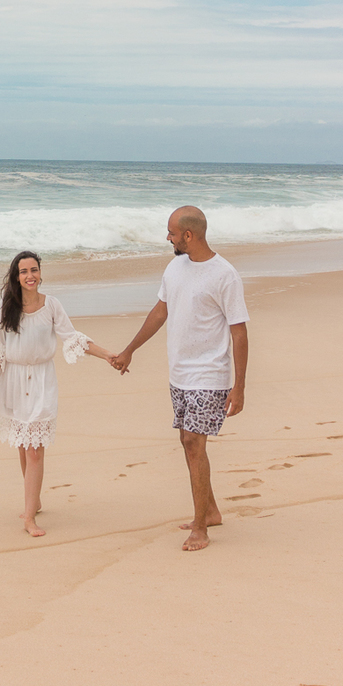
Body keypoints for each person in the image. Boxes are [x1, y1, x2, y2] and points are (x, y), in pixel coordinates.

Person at [111, 205, 248, 552]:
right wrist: (130, 350)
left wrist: (239, 386)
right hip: (180, 373)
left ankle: (200, 527)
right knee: (188, 443)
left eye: (171, 232)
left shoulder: (224, 274)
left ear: (189, 235)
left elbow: (239, 332)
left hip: (210, 373)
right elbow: (161, 311)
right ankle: (211, 510)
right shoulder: (174, 267)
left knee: (193, 442)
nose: (167, 238)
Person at [0, 250, 115, 536]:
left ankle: (29, 518)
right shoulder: (6, 307)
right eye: (24, 271)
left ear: (40, 273)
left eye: (34, 270)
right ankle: (34, 501)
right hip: (12, 380)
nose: (30, 276)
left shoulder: (52, 305)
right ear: (16, 277)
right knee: (22, 443)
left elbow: (73, 338)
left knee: (35, 450)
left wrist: (107, 355)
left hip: (42, 381)